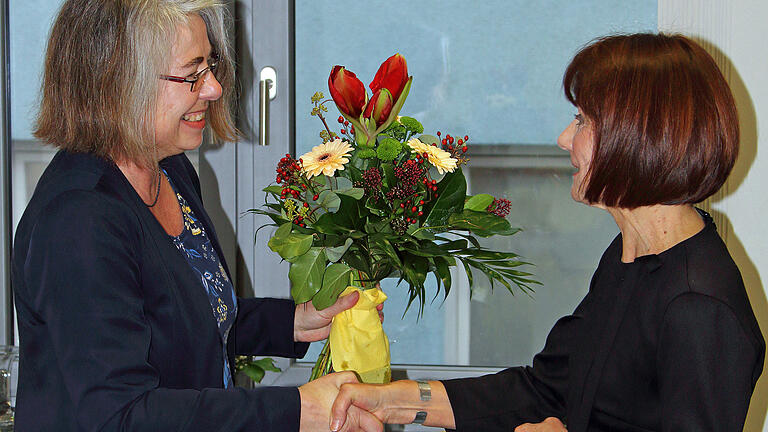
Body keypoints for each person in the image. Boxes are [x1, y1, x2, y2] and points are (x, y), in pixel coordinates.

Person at [329, 33, 765, 432]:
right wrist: (393, 402)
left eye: (581, 121)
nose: (562, 138)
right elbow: (546, 391)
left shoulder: (698, 306)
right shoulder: (629, 257)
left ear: (638, 136)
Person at [11, 1, 382, 431]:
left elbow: (181, 314)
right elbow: (119, 417)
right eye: (191, 73)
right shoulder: (79, 220)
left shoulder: (169, 169)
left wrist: (292, 323)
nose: (213, 89)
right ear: (116, 82)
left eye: (210, 66)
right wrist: (298, 410)